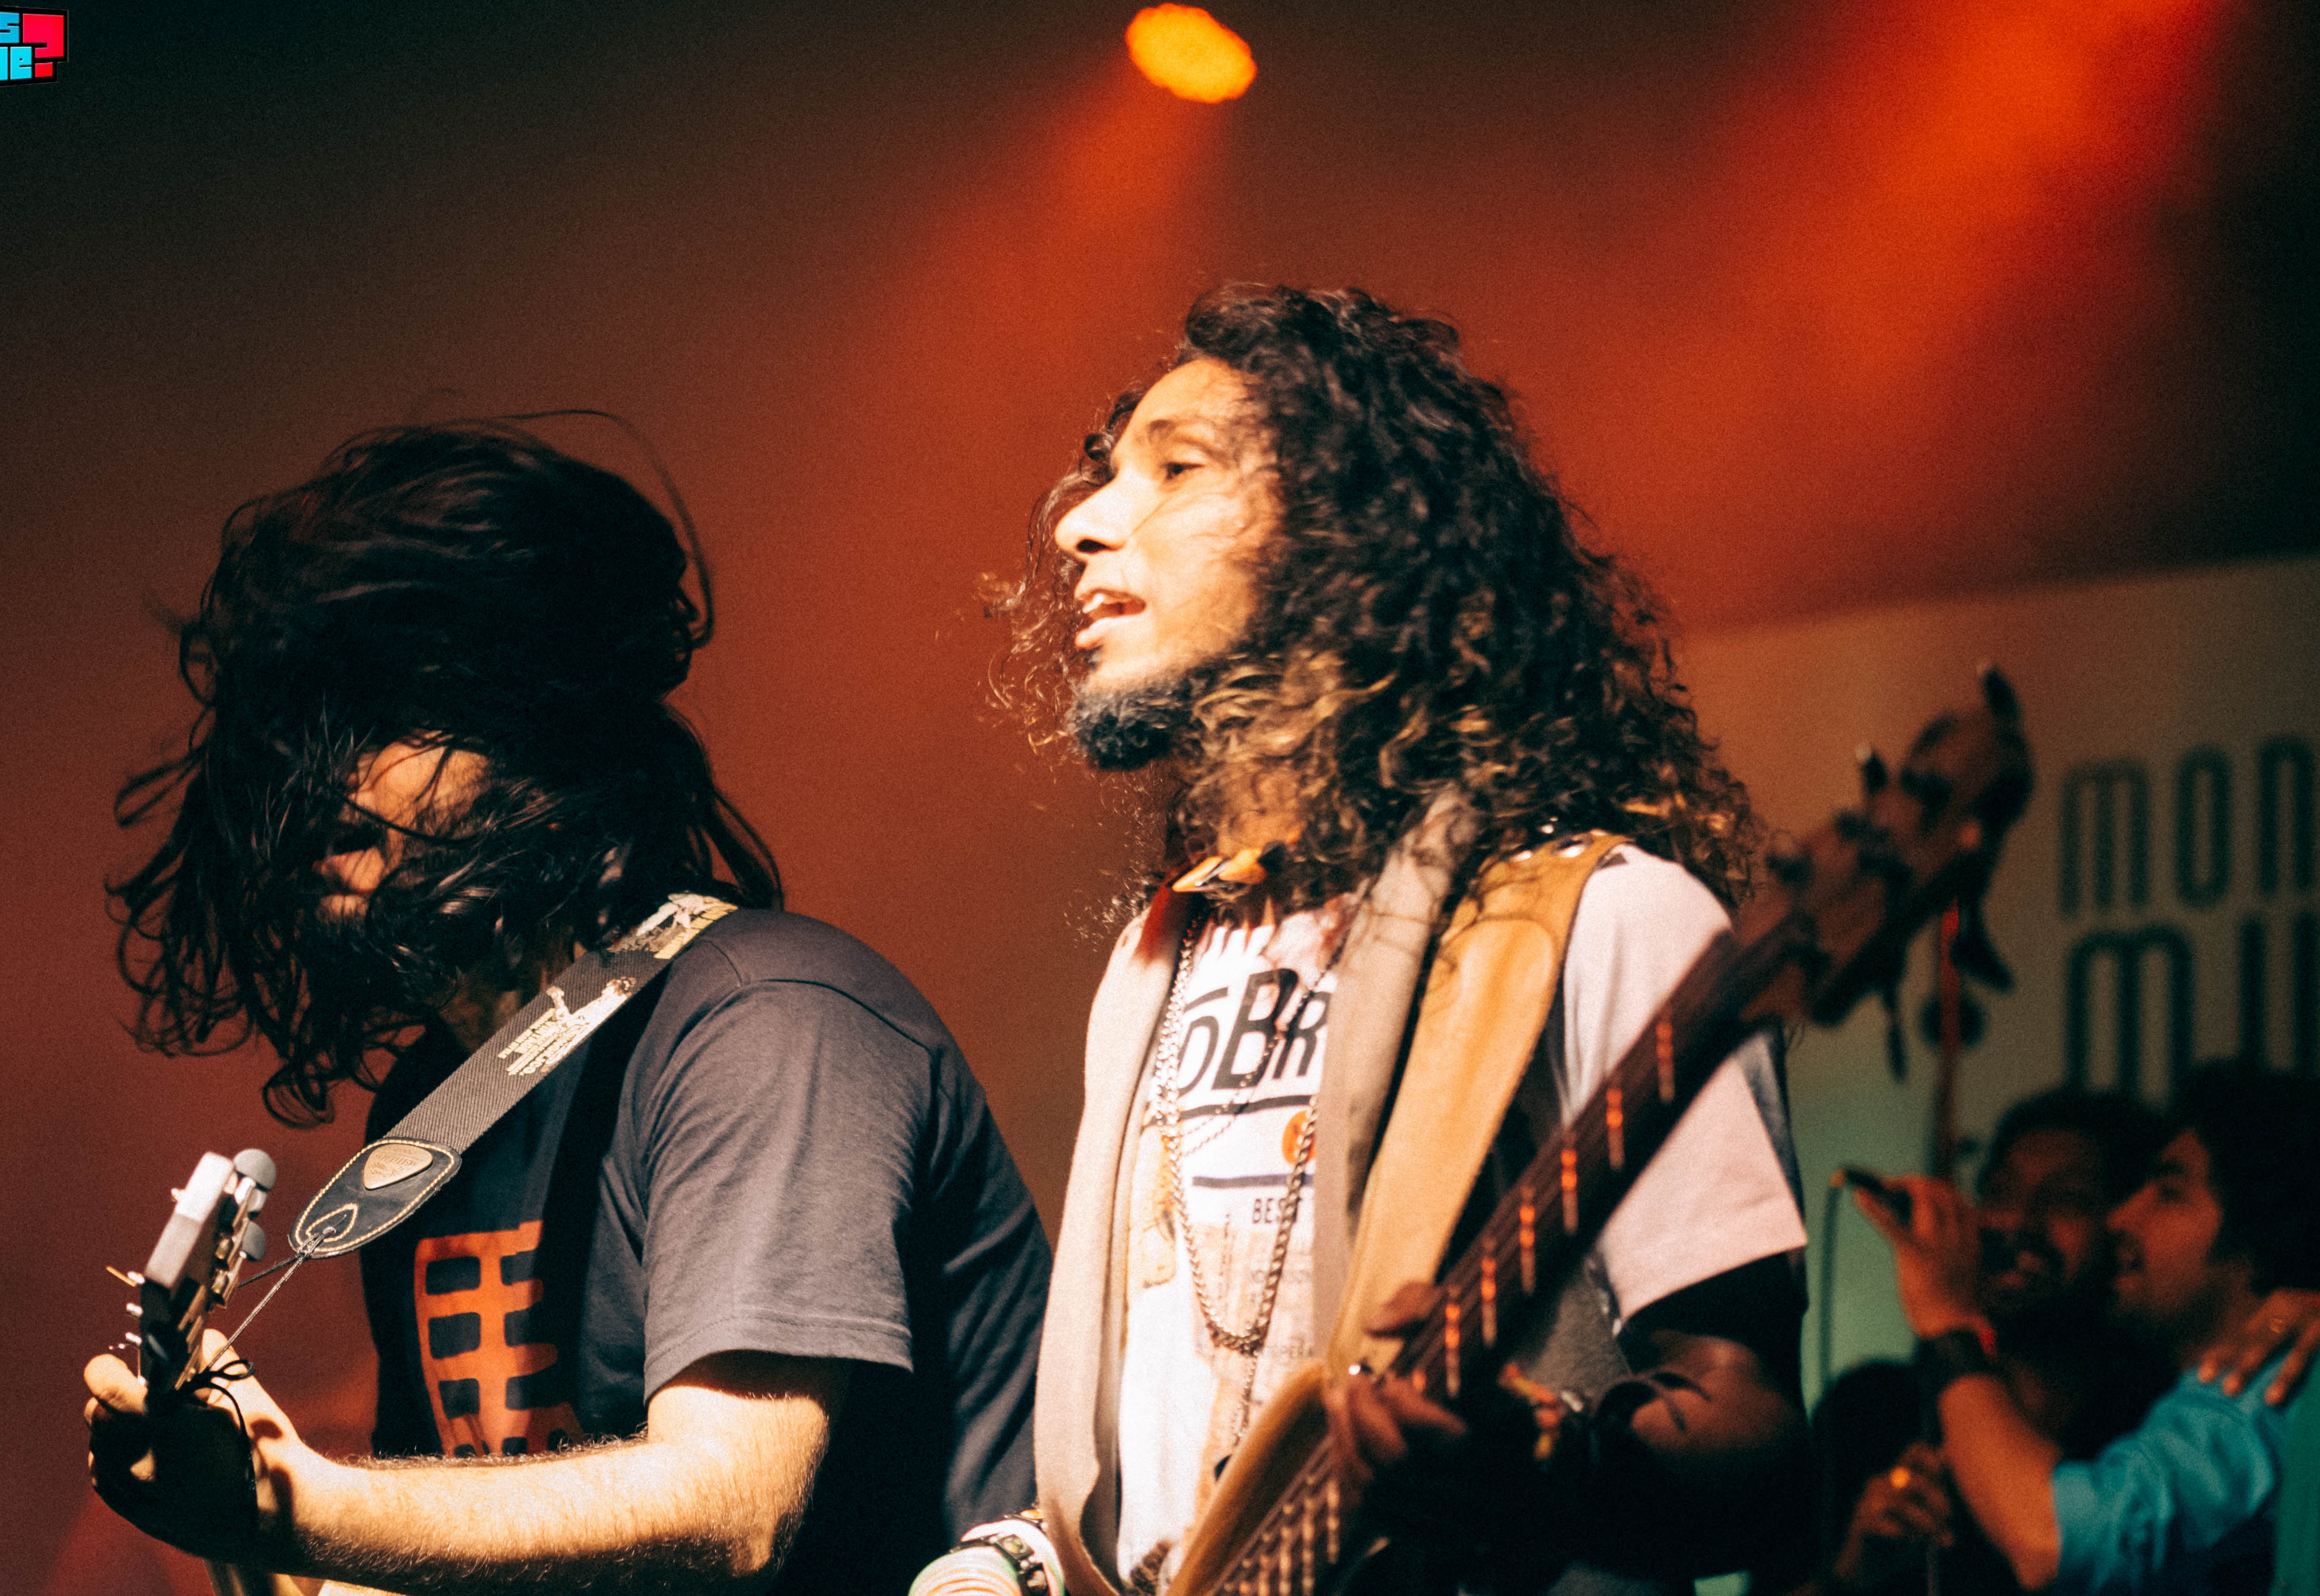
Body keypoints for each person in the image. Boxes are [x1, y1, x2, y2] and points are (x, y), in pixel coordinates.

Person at [83, 422, 1053, 1596]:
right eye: (305, 733)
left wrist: (302, 1507)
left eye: (392, 720)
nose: (329, 783)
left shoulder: (766, 1021)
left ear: (544, 740)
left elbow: (732, 1507)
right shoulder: (432, 1106)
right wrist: (260, 1541)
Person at [975, 285, 1814, 1596]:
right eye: (1104, 475)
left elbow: (1756, 1448)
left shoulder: (1592, 917)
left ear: (1348, 536)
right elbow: (1140, 1487)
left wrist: (1539, 1473)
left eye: (1174, 469)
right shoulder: (1157, 957)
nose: (1078, 521)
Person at [1864, 1062, 2320, 1595]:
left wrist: (1946, 1320)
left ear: (2261, 1228)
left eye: (2168, 1192)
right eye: (1999, 1190)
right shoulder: (2185, 1407)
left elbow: (2053, 1541)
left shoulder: (2279, 1384)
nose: (2121, 1218)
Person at [1786, 1090, 2176, 1596]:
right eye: (2000, 1191)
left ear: (2126, 1228)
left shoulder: (2161, 1422)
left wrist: (1946, 1319)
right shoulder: (1870, 1408)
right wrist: (1853, 1573)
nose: (2017, 1221)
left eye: (2067, 1200)